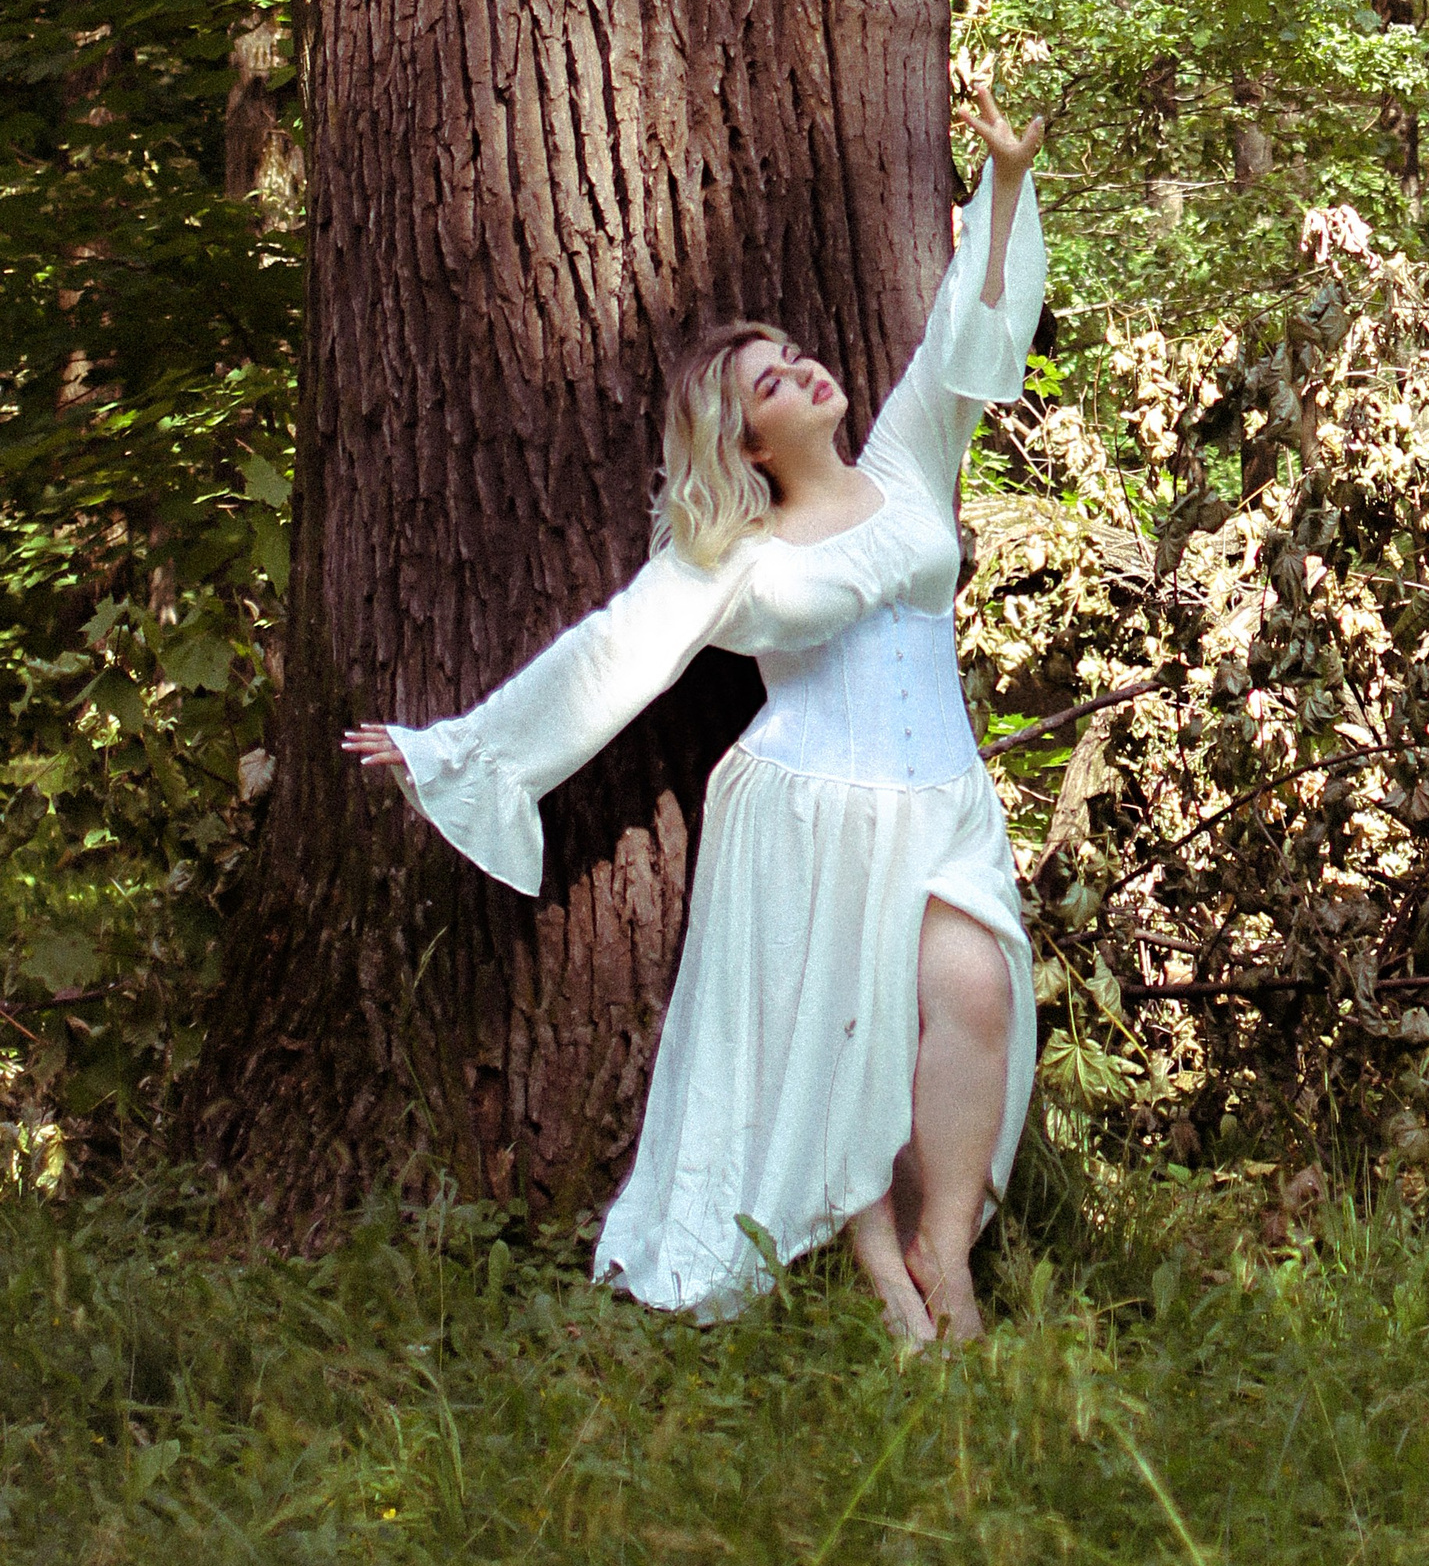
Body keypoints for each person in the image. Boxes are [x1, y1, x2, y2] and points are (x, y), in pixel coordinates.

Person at [344, 83, 1047, 1341]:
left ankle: (949, 1255)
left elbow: (966, 338)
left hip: (941, 801)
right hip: (808, 812)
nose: (805, 367)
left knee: (973, 993)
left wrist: (998, 188)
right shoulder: (735, 555)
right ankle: (889, 1281)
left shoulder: (904, 461)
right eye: (773, 375)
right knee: (830, 1039)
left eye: (798, 352)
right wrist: (456, 749)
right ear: (746, 433)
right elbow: (612, 655)